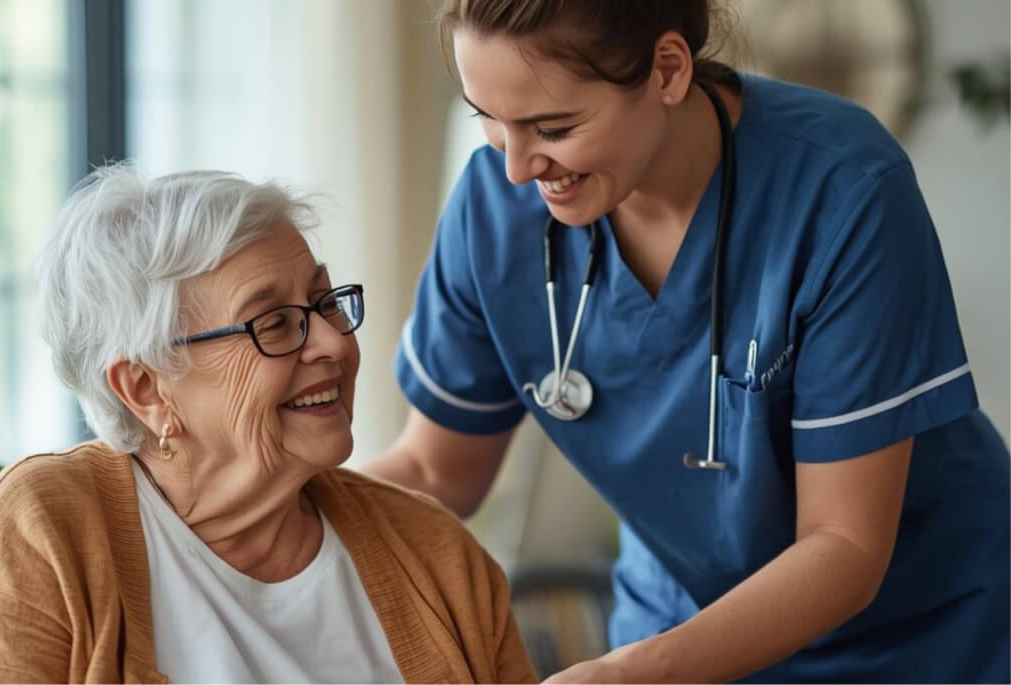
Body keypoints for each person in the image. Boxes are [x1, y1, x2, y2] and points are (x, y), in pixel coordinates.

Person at [364, 1, 1011, 682]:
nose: (518, 169)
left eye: (551, 127)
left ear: (666, 69)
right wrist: (267, 514)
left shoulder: (842, 190)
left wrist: (630, 673)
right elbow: (435, 473)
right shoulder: (492, 213)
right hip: (677, 625)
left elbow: (844, 543)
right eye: (488, 118)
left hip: (918, 637)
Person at [0, 164, 536, 684]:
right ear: (146, 389)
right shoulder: (49, 527)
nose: (332, 342)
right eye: (272, 323)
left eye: (324, 303)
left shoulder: (434, 554)